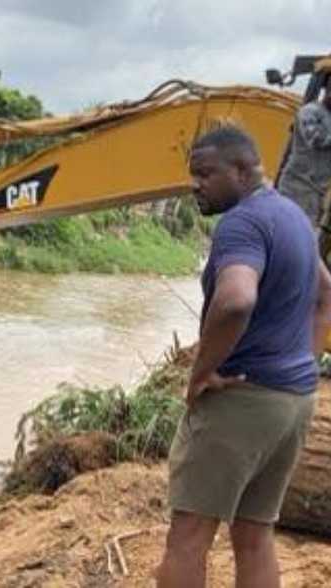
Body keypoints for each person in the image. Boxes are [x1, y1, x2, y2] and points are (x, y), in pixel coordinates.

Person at [156, 126, 331, 587]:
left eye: (205, 173)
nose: (195, 184)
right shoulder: (293, 217)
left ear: (241, 169)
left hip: (242, 399)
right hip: (293, 401)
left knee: (188, 537)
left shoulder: (242, 223)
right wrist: (306, 363)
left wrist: (202, 372)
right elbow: (326, 293)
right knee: (254, 535)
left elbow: (236, 300)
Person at [278, 75, 331, 231]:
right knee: (286, 233)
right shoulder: (310, 111)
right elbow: (316, 139)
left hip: (316, 191)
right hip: (296, 187)